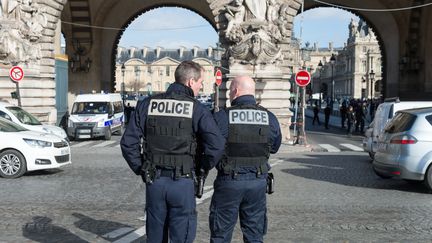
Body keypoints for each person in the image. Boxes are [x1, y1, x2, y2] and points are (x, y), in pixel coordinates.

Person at [121, 60, 225, 243]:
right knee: (182, 236)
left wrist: (142, 168)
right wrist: (201, 169)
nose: (201, 87)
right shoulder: (197, 108)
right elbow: (216, 145)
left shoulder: (147, 104)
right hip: (183, 182)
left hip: (155, 181)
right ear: (191, 82)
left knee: (155, 236)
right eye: (200, 83)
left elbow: (128, 143)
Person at [210, 75, 282, 243]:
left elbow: (211, 147)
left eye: (229, 91)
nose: (228, 95)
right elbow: (275, 147)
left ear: (235, 91)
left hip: (229, 180)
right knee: (255, 235)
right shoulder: (269, 117)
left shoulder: (221, 117)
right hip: (258, 182)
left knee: (220, 235)